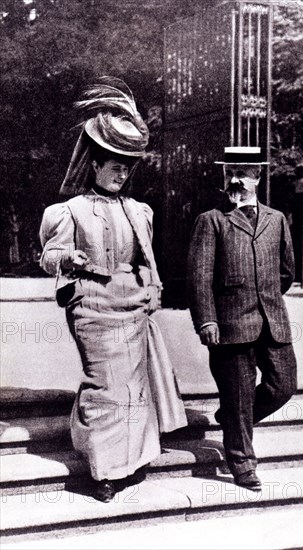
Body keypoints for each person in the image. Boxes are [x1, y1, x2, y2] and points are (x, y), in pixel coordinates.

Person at [39, 77, 187, 503]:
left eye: (128, 166)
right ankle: (103, 470)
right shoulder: (68, 210)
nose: (123, 173)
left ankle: (130, 461)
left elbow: (147, 260)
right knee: (104, 384)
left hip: (132, 307)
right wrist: (69, 259)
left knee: (133, 387)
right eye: (115, 165)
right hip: (92, 306)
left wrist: (151, 288)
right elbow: (48, 256)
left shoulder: (140, 211)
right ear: (96, 165)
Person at [187, 146, 297, 491]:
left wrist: (264, 295)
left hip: (273, 322)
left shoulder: (276, 219)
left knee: (283, 386)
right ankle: (243, 464)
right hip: (230, 326)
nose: (235, 180)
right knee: (237, 396)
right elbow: (199, 277)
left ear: (258, 177)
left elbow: (286, 271)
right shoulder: (211, 220)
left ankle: (232, 419)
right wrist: (207, 320)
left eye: (244, 173)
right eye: (230, 173)